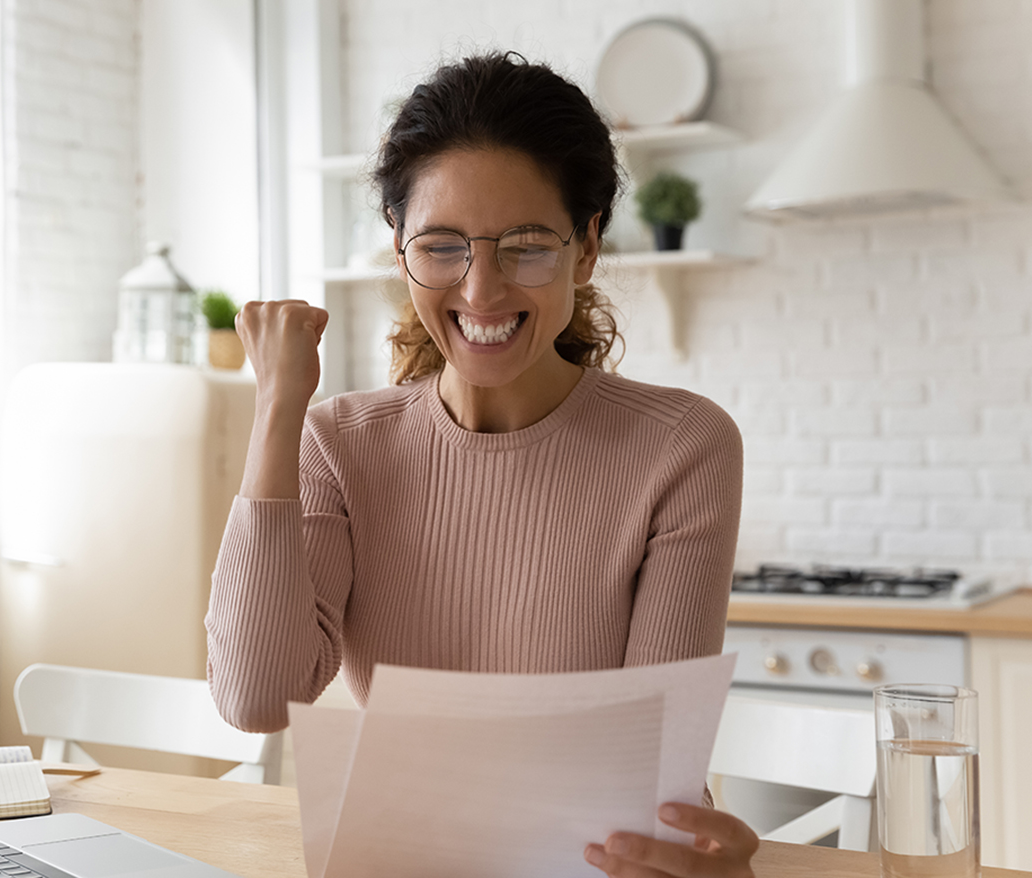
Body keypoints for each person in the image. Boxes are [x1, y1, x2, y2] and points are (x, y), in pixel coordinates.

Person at [206, 51, 757, 878]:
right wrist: (278, 411)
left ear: (586, 247)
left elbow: (652, 775)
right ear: (400, 251)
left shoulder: (682, 445)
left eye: (527, 246)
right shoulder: (340, 443)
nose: (482, 290)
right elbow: (254, 697)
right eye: (443, 246)